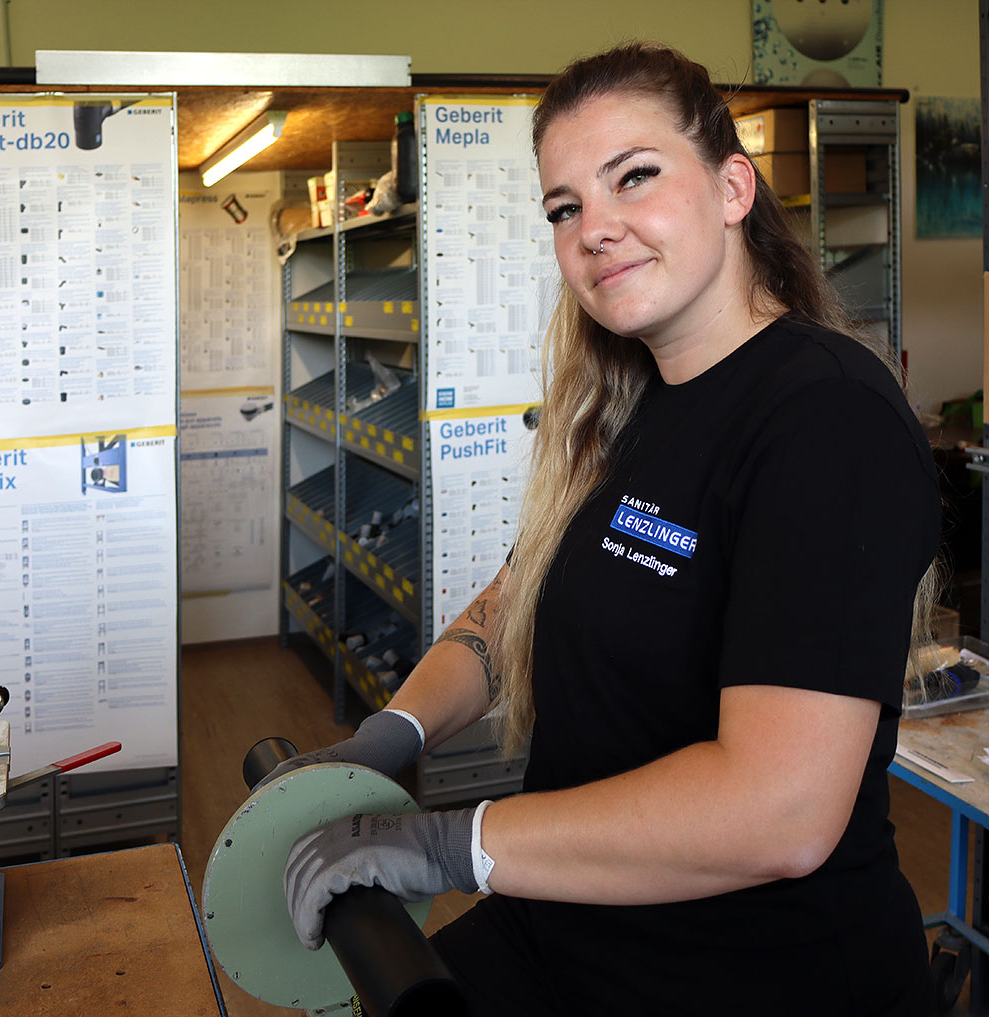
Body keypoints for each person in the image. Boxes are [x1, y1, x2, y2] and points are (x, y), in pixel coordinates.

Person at [268, 41, 944, 1017]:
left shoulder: (825, 417)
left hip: (750, 975)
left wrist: (453, 843)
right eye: (564, 207)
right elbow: (520, 597)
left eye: (634, 176)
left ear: (732, 189)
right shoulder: (629, 403)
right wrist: (391, 734)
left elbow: (780, 810)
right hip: (575, 925)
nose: (595, 229)